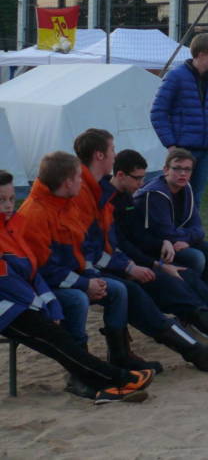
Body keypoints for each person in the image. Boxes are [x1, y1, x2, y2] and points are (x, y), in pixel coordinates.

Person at [22, 152, 208, 378]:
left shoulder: (72, 203)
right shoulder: (43, 212)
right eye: (79, 178)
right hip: (49, 286)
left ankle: (192, 345)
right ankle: (88, 370)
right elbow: (44, 267)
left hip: (84, 273)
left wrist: (121, 269)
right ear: (69, 180)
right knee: (121, 289)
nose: (82, 183)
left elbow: (89, 250)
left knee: (136, 286)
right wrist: (89, 280)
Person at [87, 144, 208, 353]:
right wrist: (154, 264)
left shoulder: (125, 196)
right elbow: (121, 245)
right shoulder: (116, 200)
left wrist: (161, 244)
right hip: (127, 266)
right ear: (120, 175)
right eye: (137, 178)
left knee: (189, 277)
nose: (141, 183)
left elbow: (139, 237)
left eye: (188, 169)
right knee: (180, 284)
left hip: (137, 261)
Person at [1, 173, 156, 404]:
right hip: (8, 308)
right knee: (55, 338)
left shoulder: (12, 227)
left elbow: (33, 271)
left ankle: (109, 382)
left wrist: (51, 304)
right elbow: (9, 283)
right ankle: (118, 380)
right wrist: (42, 305)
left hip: (21, 303)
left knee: (58, 335)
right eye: (2, 200)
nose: (9, 205)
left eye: (12, 198)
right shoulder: (22, 221)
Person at [125, 146, 208, 293]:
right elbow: (165, 233)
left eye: (187, 169)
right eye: (177, 168)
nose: (183, 173)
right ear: (166, 170)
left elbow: (198, 228)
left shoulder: (186, 188)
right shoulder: (155, 194)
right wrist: (188, 237)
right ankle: (191, 306)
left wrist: (187, 240)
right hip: (153, 245)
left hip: (177, 242)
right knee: (196, 257)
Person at [150, 32, 208, 207]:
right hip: (184, 149)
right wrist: (171, 145)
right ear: (201, 54)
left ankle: (191, 234)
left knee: (195, 198)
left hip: (206, 148)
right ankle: (174, 233)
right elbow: (157, 112)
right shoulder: (176, 76)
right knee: (179, 197)